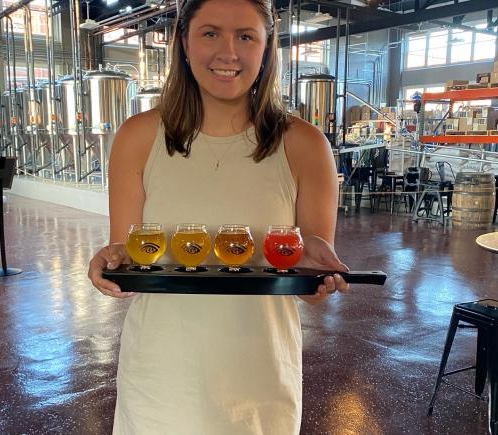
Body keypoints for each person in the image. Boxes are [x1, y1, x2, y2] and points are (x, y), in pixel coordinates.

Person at [88, 0, 350, 433]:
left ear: (266, 50)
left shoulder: (304, 145)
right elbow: (128, 253)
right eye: (210, 33)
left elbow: (306, 280)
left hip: (260, 381)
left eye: (246, 36)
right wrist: (108, 260)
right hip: (161, 381)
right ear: (184, 43)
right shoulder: (137, 137)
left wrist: (315, 275)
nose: (228, 52)